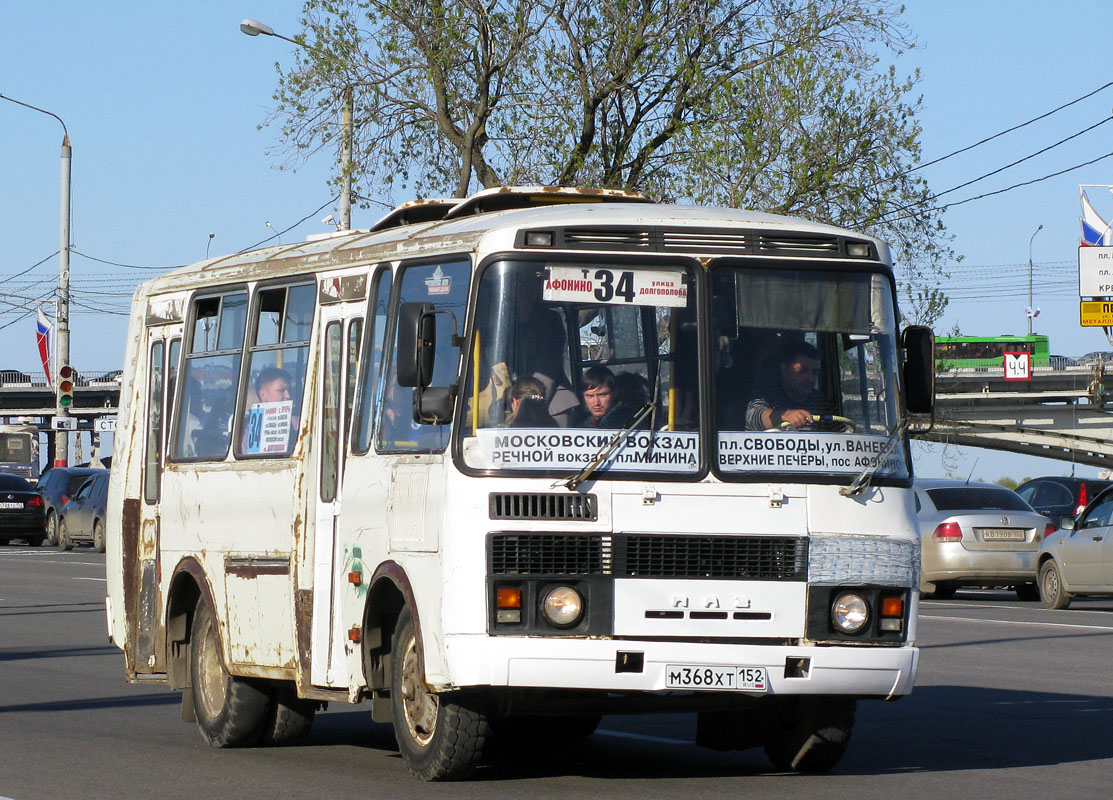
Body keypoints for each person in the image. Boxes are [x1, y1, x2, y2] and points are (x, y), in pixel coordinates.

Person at [745, 339, 821, 430]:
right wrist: (784, 415)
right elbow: (754, 417)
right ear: (785, 370)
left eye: (815, 372)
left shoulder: (823, 403)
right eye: (803, 371)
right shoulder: (766, 396)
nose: (811, 378)